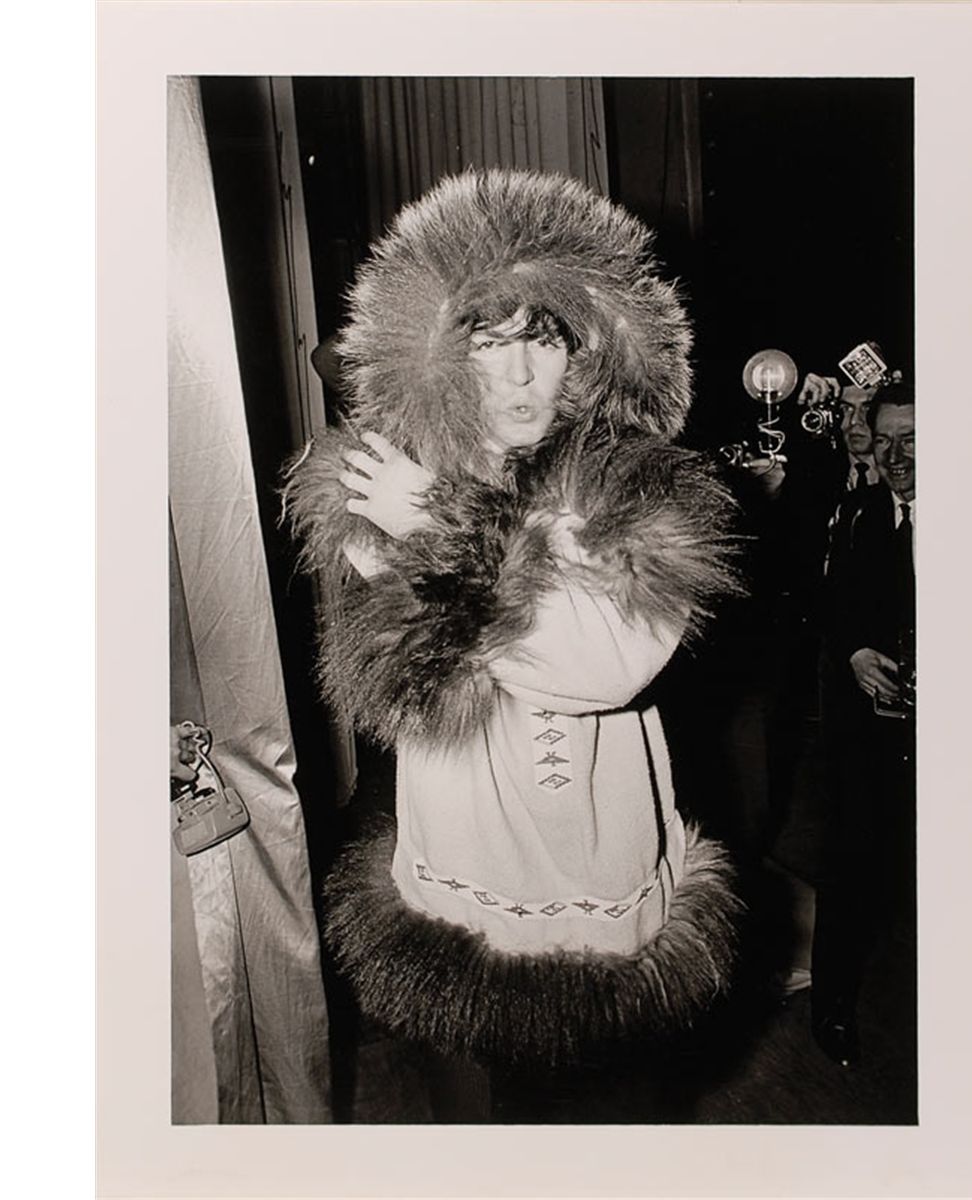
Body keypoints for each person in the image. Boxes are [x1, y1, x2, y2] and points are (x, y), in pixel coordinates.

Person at [283, 169, 742, 1113]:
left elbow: (602, 666)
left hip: (597, 866)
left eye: (545, 340)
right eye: (488, 345)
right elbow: (400, 668)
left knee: (609, 1127)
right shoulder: (386, 488)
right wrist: (423, 500)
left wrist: (436, 522)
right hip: (461, 862)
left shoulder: (638, 490)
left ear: (591, 351)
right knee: (474, 1127)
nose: (521, 376)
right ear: (443, 359)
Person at [811, 380, 917, 1067]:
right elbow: (832, 600)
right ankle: (832, 1009)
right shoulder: (860, 513)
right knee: (852, 863)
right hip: (870, 730)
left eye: (912, 440)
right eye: (884, 442)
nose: (896, 456)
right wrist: (854, 651)